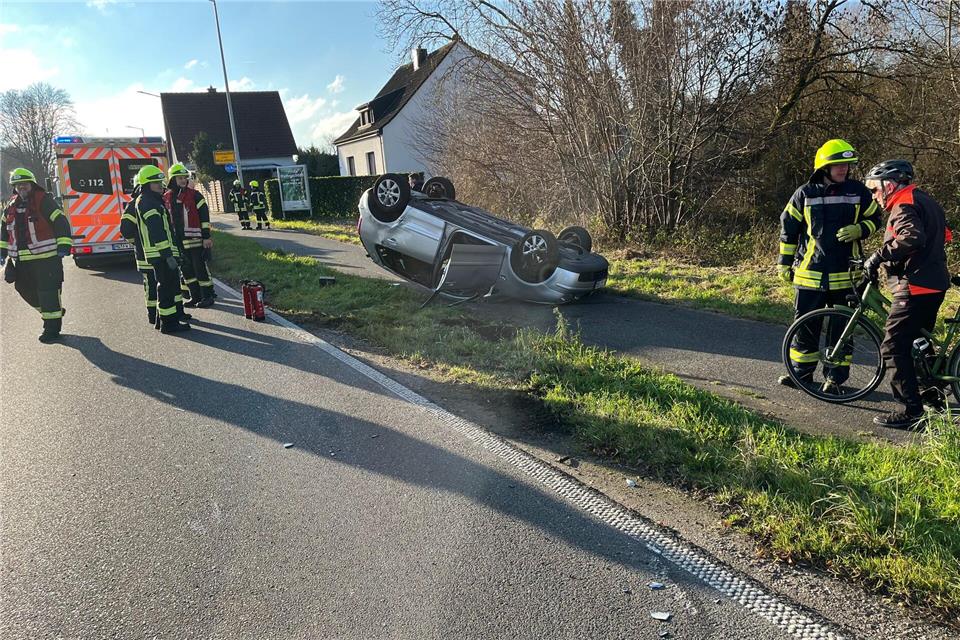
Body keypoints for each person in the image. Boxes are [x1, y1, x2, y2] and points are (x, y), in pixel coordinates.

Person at [777, 139, 881, 393]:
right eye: (838, 164)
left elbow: (876, 218)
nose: (844, 169)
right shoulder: (805, 193)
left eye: (847, 164)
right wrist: (784, 264)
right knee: (804, 328)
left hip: (846, 275)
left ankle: (834, 380)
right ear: (824, 167)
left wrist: (861, 228)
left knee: (842, 330)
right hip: (810, 274)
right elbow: (788, 231)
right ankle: (800, 374)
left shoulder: (858, 192)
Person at [861, 160, 950, 429]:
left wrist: (878, 256)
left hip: (915, 285)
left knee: (893, 346)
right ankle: (933, 397)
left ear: (888, 185)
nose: (874, 196)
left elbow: (912, 238)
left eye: (874, 190)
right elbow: (945, 235)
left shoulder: (903, 203)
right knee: (918, 343)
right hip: (934, 282)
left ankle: (910, 411)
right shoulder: (925, 199)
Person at [0, 168, 73, 342]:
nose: (21, 187)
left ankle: (51, 330)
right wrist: (2, 252)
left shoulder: (44, 200)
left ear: (32, 184)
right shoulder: (10, 206)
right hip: (22, 261)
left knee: (48, 293)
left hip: (47, 259)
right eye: (17, 185)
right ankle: (52, 313)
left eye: (24, 184)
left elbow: (60, 222)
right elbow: (4, 231)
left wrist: (64, 245)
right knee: (23, 289)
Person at [134, 165, 190, 334]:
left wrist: (176, 252)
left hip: (162, 253)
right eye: (155, 182)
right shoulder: (148, 202)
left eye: (160, 181)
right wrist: (167, 255)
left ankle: (163, 320)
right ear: (146, 184)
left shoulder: (151, 200)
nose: (160, 185)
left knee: (168, 286)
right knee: (166, 288)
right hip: (160, 254)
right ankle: (169, 324)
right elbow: (157, 231)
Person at [164, 164, 214, 307]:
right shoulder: (167, 197)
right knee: (186, 270)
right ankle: (195, 297)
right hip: (178, 241)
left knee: (200, 269)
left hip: (195, 240)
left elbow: (204, 216)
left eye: (185, 178)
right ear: (173, 179)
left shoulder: (195, 195)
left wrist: (206, 237)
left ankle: (208, 296)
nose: (183, 180)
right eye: (180, 178)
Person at [120, 184, 159, 325]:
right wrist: (137, 242)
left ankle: (168, 313)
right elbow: (125, 229)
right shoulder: (135, 205)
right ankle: (153, 314)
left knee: (162, 283)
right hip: (146, 254)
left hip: (158, 252)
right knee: (151, 284)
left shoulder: (153, 201)